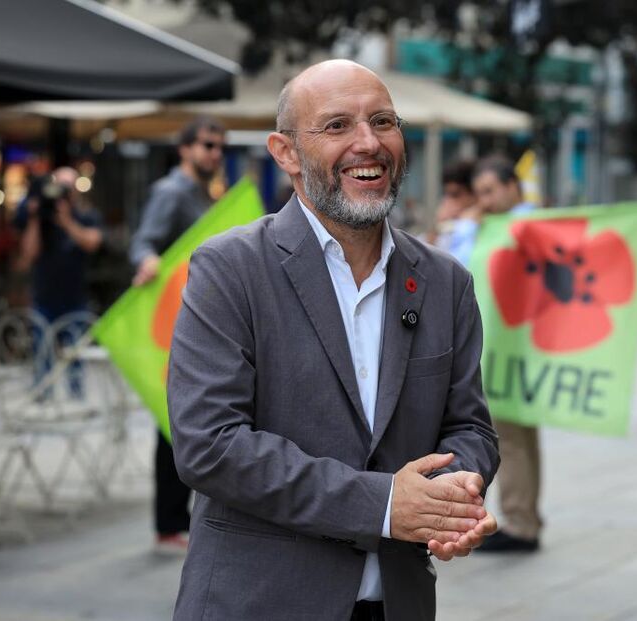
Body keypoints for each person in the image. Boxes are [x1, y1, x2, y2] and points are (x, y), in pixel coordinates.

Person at [167, 59, 499, 621]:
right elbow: (211, 444)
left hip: (397, 604)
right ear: (286, 152)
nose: (368, 143)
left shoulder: (446, 282)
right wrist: (388, 505)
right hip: (259, 603)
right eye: (337, 125)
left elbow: (469, 426)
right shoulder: (230, 269)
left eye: (384, 121)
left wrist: (449, 497)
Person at [129, 116, 226, 553]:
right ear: (185, 148)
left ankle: (178, 519)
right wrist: (146, 258)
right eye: (207, 145)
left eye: (219, 146)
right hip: (173, 322)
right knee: (174, 421)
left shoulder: (205, 194)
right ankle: (168, 523)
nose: (214, 153)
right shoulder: (171, 192)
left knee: (191, 418)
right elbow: (143, 241)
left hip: (200, 321)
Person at [467, 156, 540, 553]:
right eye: (480, 194)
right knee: (519, 436)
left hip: (513, 348)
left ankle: (519, 521)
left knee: (509, 437)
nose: (486, 200)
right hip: (509, 346)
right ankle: (526, 516)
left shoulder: (526, 226)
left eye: (491, 191)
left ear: (514, 186)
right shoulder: (497, 226)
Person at [15, 167, 103, 391]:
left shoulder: (85, 215)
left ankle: (76, 397)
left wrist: (67, 222)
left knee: (74, 356)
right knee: (41, 353)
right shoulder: (40, 218)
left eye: (68, 188)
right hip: (44, 298)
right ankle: (43, 397)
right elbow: (28, 254)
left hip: (75, 298)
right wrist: (36, 217)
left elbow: (93, 243)